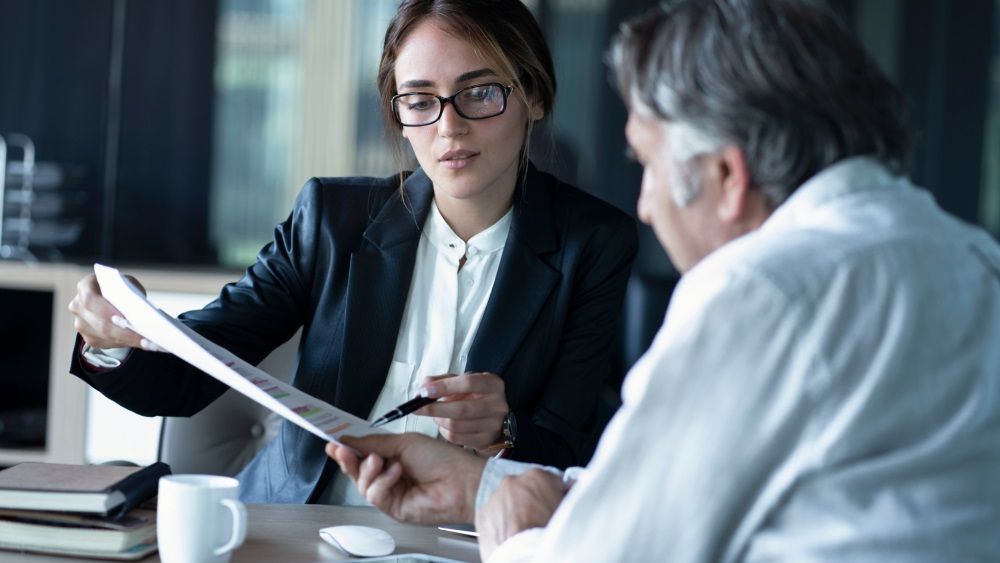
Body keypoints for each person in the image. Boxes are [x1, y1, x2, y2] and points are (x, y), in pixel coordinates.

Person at [326, 0, 1000, 560]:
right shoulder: (966, 257)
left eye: (649, 164)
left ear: (727, 178)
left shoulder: (762, 291)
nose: (645, 205)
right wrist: (484, 484)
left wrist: (515, 534)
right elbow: (692, 489)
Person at [68, 0, 637, 505]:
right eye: (419, 101)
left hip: (468, 541)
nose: (450, 127)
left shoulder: (593, 244)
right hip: (298, 528)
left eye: (480, 93)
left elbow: (575, 452)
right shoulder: (331, 220)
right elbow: (188, 375)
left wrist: (505, 429)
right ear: (399, 115)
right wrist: (110, 337)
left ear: (533, 96)